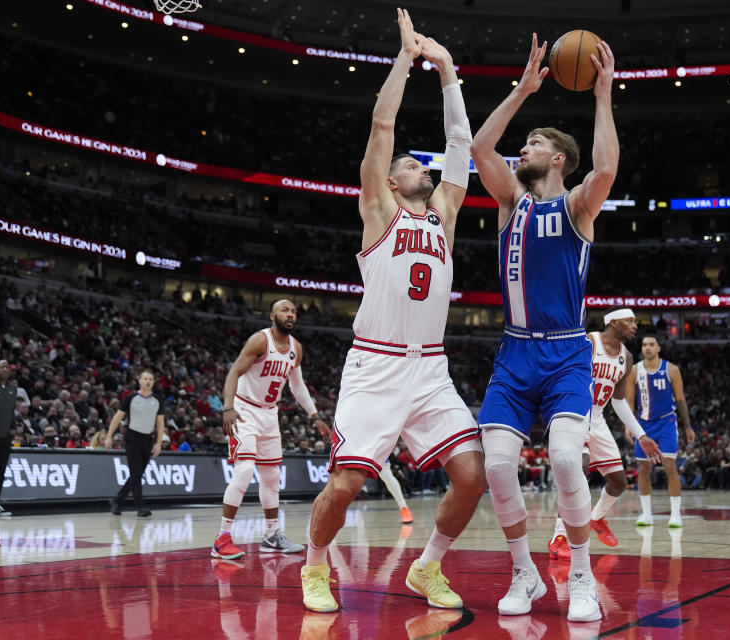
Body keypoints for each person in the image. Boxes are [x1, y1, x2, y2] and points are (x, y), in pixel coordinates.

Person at [300, 9, 486, 615]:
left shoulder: (446, 216)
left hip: (429, 369)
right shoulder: (379, 212)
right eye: (410, 165)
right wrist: (407, 59)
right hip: (375, 367)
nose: (419, 168)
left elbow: (461, 144)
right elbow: (383, 126)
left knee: (472, 473)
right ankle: (314, 566)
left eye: (419, 165)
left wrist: (450, 71)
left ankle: (426, 566)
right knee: (346, 483)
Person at [470, 32, 618, 622]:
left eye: (530, 143)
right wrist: (523, 90)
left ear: (556, 158)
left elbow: (606, 166)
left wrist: (603, 94)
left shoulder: (577, 205)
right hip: (513, 353)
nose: (520, 149)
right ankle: (524, 575)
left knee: (562, 459)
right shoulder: (511, 201)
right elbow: (482, 148)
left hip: (564, 352)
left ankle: (579, 578)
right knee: (499, 464)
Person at [214, 299, 327, 560]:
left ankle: (272, 535)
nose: (289, 315)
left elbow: (297, 387)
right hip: (244, 411)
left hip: (269, 414)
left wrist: (315, 416)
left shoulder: (296, 348)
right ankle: (222, 538)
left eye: (293, 311)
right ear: (272, 316)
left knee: (272, 477)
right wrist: (228, 408)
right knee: (243, 473)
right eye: (284, 310)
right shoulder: (260, 341)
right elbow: (234, 373)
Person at [548, 308, 661, 558]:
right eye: (629, 321)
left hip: (597, 418)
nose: (634, 325)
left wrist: (641, 434)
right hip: (576, 412)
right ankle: (559, 536)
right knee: (578, 470)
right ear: (612, 322)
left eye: (634, 321)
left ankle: (597, 518)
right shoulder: (589, 342)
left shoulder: (627, 358)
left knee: (619, 482)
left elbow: (618, 402)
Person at [628, 334, 695, 528]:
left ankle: (675, 515)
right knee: (644, 469)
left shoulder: (672, 369)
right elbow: (629, 401)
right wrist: (629, 425)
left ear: (658, 348)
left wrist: (688, 426)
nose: (647, 348)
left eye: (651, 344)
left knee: (669, 466)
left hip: (666, 424)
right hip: (644, 426)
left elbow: (681, 399)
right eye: (644, 344)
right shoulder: (634, 371)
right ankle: (646, 514)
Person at [105, 369, 165, 517]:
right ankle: (140, 506)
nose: (148, 381)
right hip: (132, 438)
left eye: (150, 379)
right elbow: (116, 418)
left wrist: (158, 443)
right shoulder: (130, 398)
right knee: (136, 473)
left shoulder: (157, 400)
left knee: (137, 474)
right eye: (145, 379)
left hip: (147, 439)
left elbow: (160, 423)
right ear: (140, 381)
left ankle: (117, 500)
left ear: (153, 382)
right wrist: (109, 436)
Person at [0, 360, 16, 516]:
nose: (4, 369)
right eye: (1, 367)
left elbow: (11, 410)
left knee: (1, 471)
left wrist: (14, 427)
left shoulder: (12, 389)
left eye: (6, 367)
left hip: (5, 436)